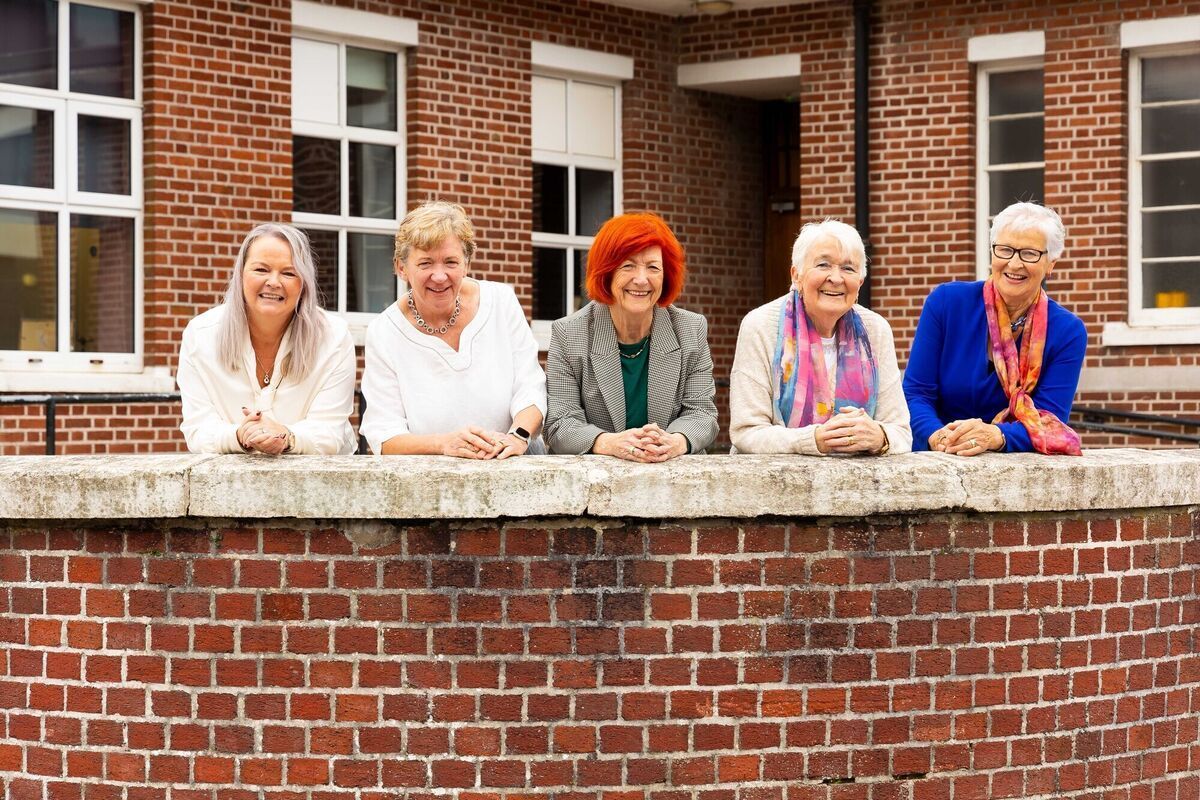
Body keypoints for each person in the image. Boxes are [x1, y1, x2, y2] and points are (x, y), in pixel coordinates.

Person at [359, 201, 545, 457]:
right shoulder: (384, 332)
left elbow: (530, 386)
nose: (439, 275)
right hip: (433, 476)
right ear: (401, 268)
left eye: (450, 262)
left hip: (513, 459)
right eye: (425, 263)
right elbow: (384, 436)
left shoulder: (502, 301)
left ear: (466, 263)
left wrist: (517, 437)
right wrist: (443, 444)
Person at [904, 201, 1086, 455]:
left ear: (1051, 263)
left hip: (1016, 477)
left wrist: (996, 435)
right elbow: (916, 393)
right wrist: (938, 436)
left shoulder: (1068, 331)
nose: (1014, 263)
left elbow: (1050, 420)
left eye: (1029, 253)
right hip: (937, 460)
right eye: (1005, 250)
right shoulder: (946, 303)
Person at [729, 219, 911, 456]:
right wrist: (812, 440)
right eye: (823, 265)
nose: (836, 278)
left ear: (860, 282)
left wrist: (879, 437)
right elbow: (747, 432)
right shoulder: (761, 326)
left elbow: (901, 433)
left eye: (848, 268)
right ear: (797, 275)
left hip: (857, 487)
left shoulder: (876, 330)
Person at [544, 212, 718, 460]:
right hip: (597, 484)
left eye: (653, 267)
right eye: (628, 265)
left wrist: (674, 442)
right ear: (606, 272)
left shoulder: (690, 329)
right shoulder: (569, 334)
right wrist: (610, 443)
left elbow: (702, 414)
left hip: (672, 481)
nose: (641, 279)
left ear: (666, 275)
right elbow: (561, 423)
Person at [177, 223, 357, 454]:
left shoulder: (334, 337)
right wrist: (239, 436)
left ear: (304, 284)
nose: (273, 282)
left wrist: (287, 437)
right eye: (261, 270)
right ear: (241, 274)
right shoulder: (200, 335)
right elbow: (199, 430)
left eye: (288, 273)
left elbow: (329, 434)